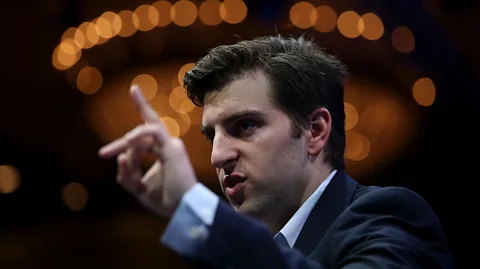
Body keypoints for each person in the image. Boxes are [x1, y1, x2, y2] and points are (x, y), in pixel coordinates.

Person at [98, 36, 454, 269]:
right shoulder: (241, 254)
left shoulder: (390, 217)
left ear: (315, 131)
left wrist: (195, 207)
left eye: (245, 126)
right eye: (212, 136)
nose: (217, 156)